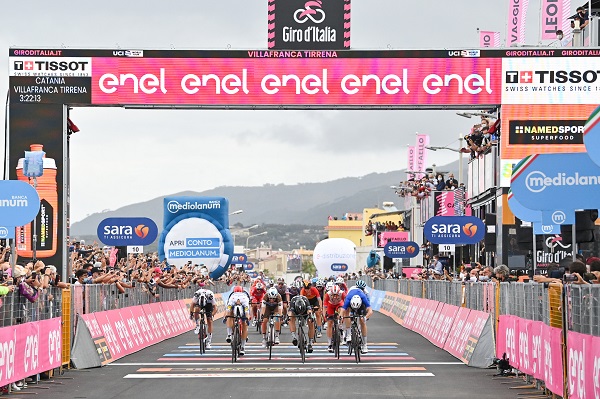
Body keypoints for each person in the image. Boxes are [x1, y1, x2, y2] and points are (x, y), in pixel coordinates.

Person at [341, 280, 373, 353]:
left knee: (362, 321)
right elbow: (343, 309)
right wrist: (341, 318)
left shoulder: (365, 295)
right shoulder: (349, 296)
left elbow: (370, 310)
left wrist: (365, 317)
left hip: (361, 304)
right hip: (351, 302)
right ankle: (349, 334)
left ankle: (365, 345)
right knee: (347, 312)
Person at [225, 286, 250, 356]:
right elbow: (247, 311)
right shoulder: (242, 297)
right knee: (245, 325)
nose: (238, 302)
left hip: (242, 307)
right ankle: (243, 347)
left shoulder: (234, 297)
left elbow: (228, 309)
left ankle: (229, 334)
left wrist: (226, 317)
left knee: (229, 316)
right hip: (239, 306)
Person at [323, 285, 346, 352]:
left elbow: (346, 305)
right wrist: (325, 317)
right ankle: (329, 343)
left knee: (340, 311)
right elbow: (324, 307)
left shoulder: (342, 293)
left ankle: (340, 327)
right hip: (330, 306)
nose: (335, 297)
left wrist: (343, 316)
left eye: (337, 295)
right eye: (333, 295)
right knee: (329, 323)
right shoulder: (327, 294)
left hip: (339, 305)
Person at [300, 279, 323, 346]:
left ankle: (318, 330)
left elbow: (319, 300)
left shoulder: (314, 289)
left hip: (314, 301)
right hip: (306, 301)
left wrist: (320, 308)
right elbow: (301, 301)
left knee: (318, 313)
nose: (308, 291)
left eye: (309, 289)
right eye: (306, 289)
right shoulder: (302, 291)